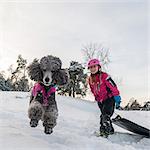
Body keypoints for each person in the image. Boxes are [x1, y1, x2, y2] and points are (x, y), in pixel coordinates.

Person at [87, 58, 121, 136]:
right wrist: (97, 98)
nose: (92, 69)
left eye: (94, 66)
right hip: (101, 101)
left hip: (109, 99)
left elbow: (113, 86)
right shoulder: (90, 79)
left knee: (105, 115)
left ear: (98, 67)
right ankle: (109, 130)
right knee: (103, 116)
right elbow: (93, 90)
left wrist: (117, 97)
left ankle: (106, 132)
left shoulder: (105, 76)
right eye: (91, 67)